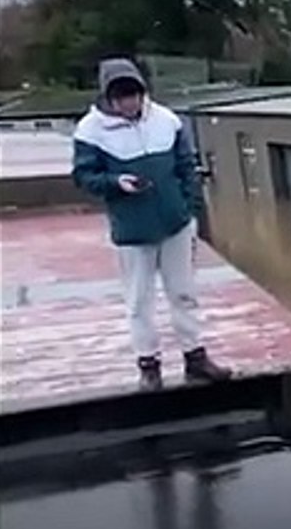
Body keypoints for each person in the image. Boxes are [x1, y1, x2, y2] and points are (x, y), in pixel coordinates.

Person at [72, 58, 231, 391]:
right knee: (139, 301)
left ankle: (195, 357)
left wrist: (189, 209)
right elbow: (84, 176)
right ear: (109, 98)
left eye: (134, 95)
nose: (129, 103)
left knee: (184, 293)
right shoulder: (90, 130)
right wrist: (116, 182)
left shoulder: (166, 120)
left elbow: (186, 167)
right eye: (121, 97)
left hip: (175, 224)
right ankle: (149, 365)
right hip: (132, 231)